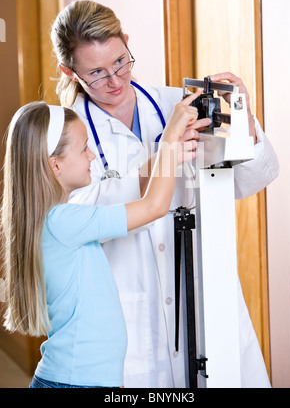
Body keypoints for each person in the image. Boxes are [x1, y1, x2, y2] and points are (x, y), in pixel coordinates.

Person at [50, 0, 279, 388]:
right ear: (69, 72)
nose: (115, 80)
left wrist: (245, 123)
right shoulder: (64, 134)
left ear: (127, 41)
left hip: (205, 300)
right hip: (133, 317)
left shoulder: (178, 103)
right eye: (97, 73)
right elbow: (79, 218)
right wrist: (165, 154)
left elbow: (252, 180)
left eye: (121, 61)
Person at [1, 95, 201, 388]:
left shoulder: (56, 220)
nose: (92, 155)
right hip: (77, 382)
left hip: (85, 378)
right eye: (83, 149)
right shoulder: (64, 221)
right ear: (55, 166)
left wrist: (168, 156)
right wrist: (169, 139)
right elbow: (154, 207)